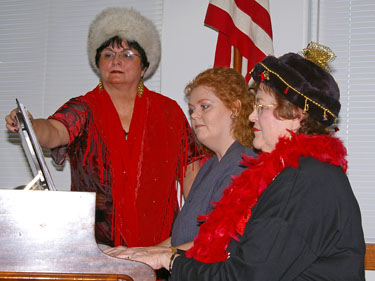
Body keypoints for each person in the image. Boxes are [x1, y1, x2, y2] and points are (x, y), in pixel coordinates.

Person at [125, 42, 366, 280]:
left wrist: (168, 260)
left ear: (295, 115)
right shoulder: (298, 174)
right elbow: (236, 258)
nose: (251, 116)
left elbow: (243, 276)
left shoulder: (304, 181)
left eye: (261, 106)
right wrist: (161, 254)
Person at [5, 7, 202, 248]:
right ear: (98, 64)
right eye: (108, 54)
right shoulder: (83, 108)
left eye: (127, 54)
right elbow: (55, 131)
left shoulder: (168, 111)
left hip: (160, 247)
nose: (116, 60)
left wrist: (194, 228)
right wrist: (30, 124)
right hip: (96, 247)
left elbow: (192, 171)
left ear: (144, 67)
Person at [104, 67, 256, 259]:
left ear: (235, 108)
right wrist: (139, 252)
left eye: (205, 106)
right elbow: (181, 238)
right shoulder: (209, 166)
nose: (194, 115)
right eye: (192, 109)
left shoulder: (243, 164)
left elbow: (218, 244)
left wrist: (153, 255)